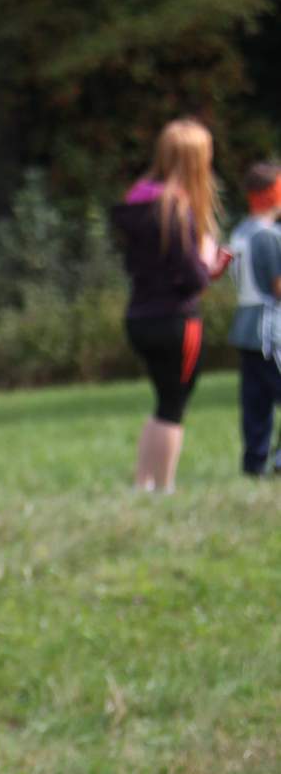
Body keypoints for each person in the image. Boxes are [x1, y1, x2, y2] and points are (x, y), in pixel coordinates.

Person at [110, 119, 230, 494]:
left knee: (163, 401)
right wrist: (207, 263)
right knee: (174, 406)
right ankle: (164, 489)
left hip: (139, 318)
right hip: (176, 322)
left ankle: (142, 484)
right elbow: (193, 278)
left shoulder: (138, 201)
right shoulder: (176, 209)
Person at [226, 161, 281, 477]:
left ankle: (254, 463)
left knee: (256, 401)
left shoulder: (240, 231)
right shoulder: (268, 235)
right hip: (269, 329)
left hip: (245, 326)